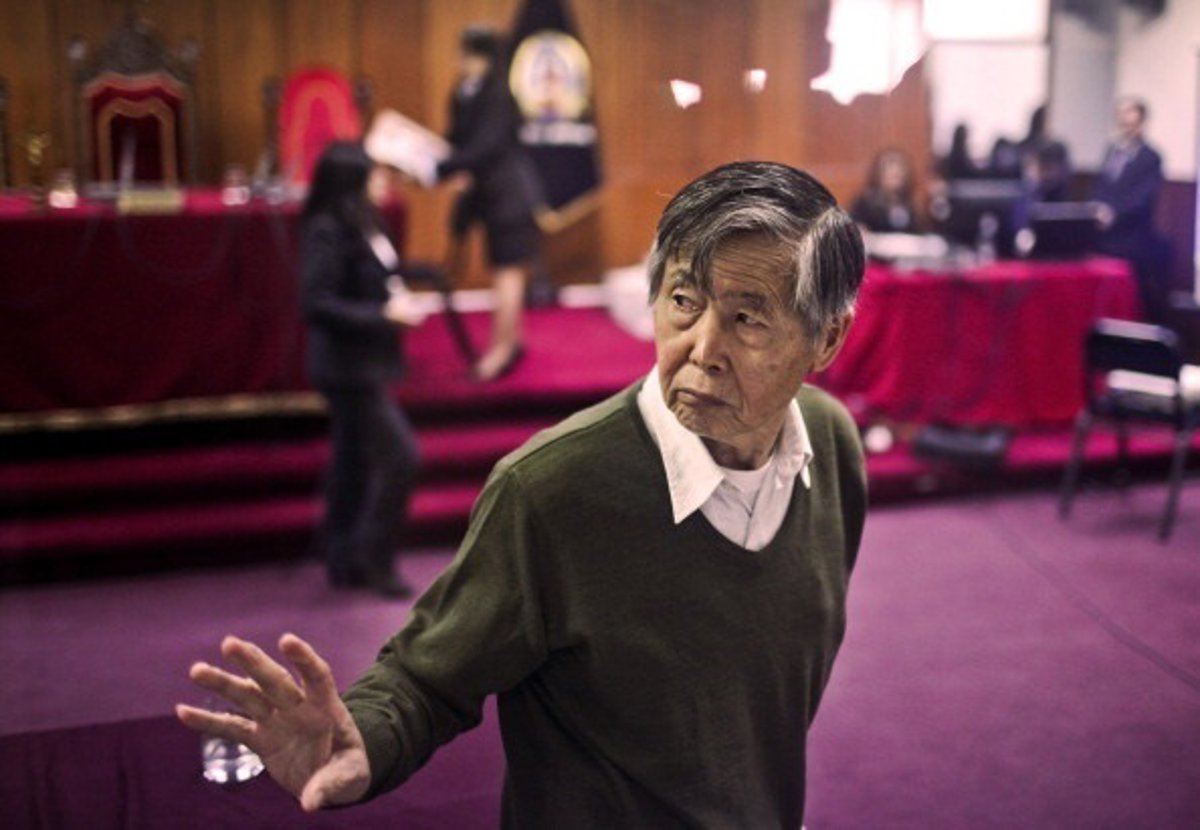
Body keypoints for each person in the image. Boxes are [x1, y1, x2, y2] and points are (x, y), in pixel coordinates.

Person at [177, 161, 868, 826]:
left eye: (748, 320)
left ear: (827, 338)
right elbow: (425, 677)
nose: (702, 349)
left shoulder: (830, 446)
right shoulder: (552, 490)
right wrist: (360, 740)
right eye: (684, 302)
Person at [300, 141, 427, 597]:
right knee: (402, 457)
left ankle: (343, 557)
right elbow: (315, 302)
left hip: (367, 362)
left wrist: (396, 297)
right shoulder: (328, 229)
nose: (382, 181)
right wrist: (383, 315)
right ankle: (375, 558)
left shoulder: (365, 221)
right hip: (347, 367)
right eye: (373, 175)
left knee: (351, 462)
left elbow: (376, 276)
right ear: (350, 183)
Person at [437, 24, 542, 382]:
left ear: (484, 58)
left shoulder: (498, 95)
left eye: (467, 53)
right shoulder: (462, 92)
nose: (460, 60)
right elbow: (455, 141)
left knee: (507, 273)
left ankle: (501, 351)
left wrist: (440, 167)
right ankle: (514, 340)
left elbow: (484, 148)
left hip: (510, 197)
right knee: (504, 271)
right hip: (487, 197)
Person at [1091, 96, 1169, 321]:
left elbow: (1142, 197)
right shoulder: (1112, 151)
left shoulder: (1151, 157)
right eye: (1122, 118)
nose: (1126, 124)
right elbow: (1102, 186)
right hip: (1105, 238)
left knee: (1131, 297)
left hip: (1132, 239)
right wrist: (1096, 209)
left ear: (1142, 121)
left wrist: (1113, 213)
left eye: (1131, 119)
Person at [850, 147, 920, 234]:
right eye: (891, 176)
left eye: (898, 176)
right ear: (879, 175)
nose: (895, 179)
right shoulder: (864, 202)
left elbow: (919, 231)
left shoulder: (911, 203)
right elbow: (854, 226)